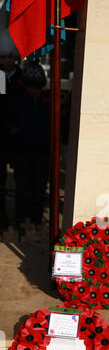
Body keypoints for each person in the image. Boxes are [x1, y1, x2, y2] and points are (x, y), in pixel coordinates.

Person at [5, 61, 50, 226]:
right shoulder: (17, 99)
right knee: (23, 186)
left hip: (42, 150)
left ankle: (36, 220)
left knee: (39, 187)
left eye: (37, 87)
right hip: (21, 149)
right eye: (31, 86)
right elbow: (7, 119)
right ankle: (20, 220)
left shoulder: (47, 100)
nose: (34, 90)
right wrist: (15, 132)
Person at [0, 29, 24, 226]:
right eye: (3, 57)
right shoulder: (0, 77)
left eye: (9, 57)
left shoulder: (22, 78)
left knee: (21, 179)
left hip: (18, 134)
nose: (6, 61)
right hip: (2, 132)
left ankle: (20, 219)